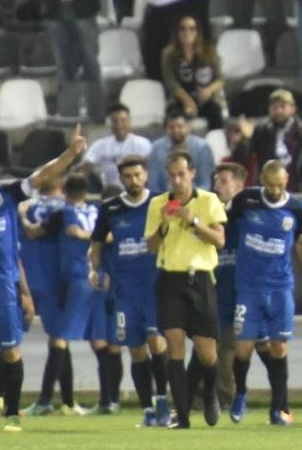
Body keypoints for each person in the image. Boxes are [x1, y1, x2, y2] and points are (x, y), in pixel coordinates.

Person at [0, 130, 85, 432]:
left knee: (11, 351)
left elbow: (42, 175)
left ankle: (11, 410)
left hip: (2, 289)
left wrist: (70, 156)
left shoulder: (9, 194)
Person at [227, 160, 302, 425]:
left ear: (286, 180)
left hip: (280, 286)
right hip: (249, 286)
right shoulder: (246, 200)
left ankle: (279, 408)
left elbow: (301, 241)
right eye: (270, 184)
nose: (276, 190)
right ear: (262, 181)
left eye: (280, 184)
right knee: (243, 348)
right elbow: (225, 228)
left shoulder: (296, 208)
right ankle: (241, 392)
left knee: (279, 346)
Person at [146, 150, 229, 428]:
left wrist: (194, 221)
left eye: (182, 174)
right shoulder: (158, 203)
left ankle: (209, 396)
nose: (177, 180)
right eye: (172, 175)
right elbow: (150, 246)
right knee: (175, 344)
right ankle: (181, 415)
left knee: (208, 353)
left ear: (192, 173)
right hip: (170, 279)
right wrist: (163, 227)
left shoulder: (208, 200)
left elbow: (219, 240)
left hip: (201, 280)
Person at [90, 155, 169, 426]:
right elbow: (97, 244)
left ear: (146, 175)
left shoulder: (161, 202)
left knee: (157, 343)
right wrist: (94, 269)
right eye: (127, 176)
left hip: (156, 289)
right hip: (125, 291)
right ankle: (148, 409)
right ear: (121, 179)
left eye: (137, 175)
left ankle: (163, 402)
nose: (133, 181)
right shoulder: (111, 208)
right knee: (136, 350)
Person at [22, 171, 98, 417]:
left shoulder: (63, 214)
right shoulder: (95, 211)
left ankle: (45, 401)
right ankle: (68, 401)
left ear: (65, 190)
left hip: (71, 282)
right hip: (91, 278)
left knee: (58, 339)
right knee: (63, 339)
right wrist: (87, 235)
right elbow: (108, 236)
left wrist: (22, 215)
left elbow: (33, 232)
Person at [231, 89, 302, 190]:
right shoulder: (262, 131)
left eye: (283, 106)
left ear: (293, 109)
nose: (278, 111)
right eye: (274, 107)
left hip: (297, 188)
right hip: (268, 188)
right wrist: (246, 139)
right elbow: (240, 158)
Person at [212, 161, 247, 407]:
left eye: (224, 181)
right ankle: (222, 398)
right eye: (216, 181)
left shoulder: (248, 215)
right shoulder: (211, 214)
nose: (217, 186)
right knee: (218, 347)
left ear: (239, 185)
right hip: (216, 291)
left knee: (229, 347)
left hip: (243, 293)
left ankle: (228, 398)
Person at [160, 17, 227, 129]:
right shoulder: (168, 54)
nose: (187, 33)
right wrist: (187, 100)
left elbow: (220, 79)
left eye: (192, 29)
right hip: (180, 99)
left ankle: (216, 143)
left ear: (198, 32)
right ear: (177, 32)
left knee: (215, 112)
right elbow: (170, 82)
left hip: (206, 98)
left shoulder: (209, 50)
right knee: (173, 116)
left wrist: (209, 90)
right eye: (183, 29)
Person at [82, 105, 153, 193]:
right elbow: (85, 165)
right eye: (115, 121)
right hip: (109, 192)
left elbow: (150, 169)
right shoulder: (100, 145)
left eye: (123, 121)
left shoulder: (142, 144)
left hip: (136, 189)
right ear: (110, 123)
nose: (119, 125)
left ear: (130, 121)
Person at [148, 107, 216, 193]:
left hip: (197, 198)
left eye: (180, 126)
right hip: (165, 199)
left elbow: (206, 184)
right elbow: (153, 185)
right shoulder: (157, 148)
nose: (176, 130)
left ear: (188, 127)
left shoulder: (202, 147)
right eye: (171, 127)